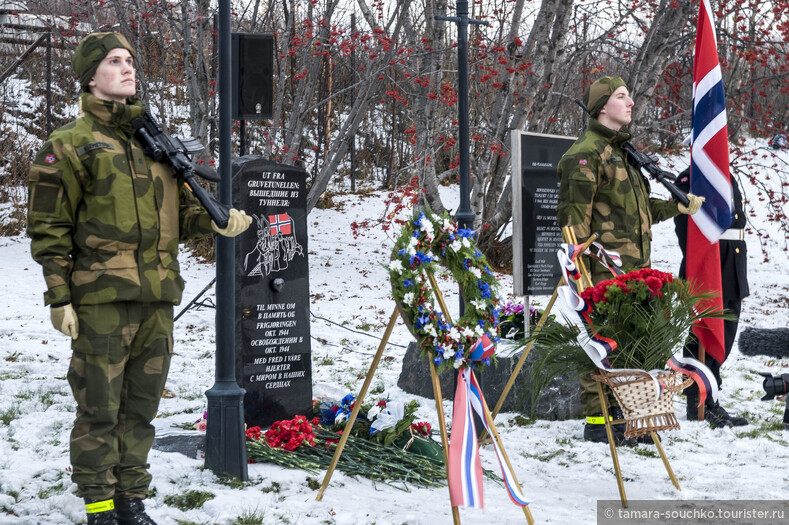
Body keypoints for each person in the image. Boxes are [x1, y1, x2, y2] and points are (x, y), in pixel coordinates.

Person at [26, 33, 251, 525]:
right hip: (101, 299)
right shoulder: (69, 145)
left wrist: (218, 223)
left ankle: (130, 499)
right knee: (99, 409)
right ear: (90, 76)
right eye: (114, 61)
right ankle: (100, 506)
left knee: (140, 410)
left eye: (130, 60)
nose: (127, 68)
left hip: (158, 297)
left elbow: (186, 215)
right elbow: (49, 230)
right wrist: (58, 297)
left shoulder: (157, 145)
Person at [556, 76, 705, 445]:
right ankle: (599, 422)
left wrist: (677, 206)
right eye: (622, 96)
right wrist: (584, 281)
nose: (631, 102)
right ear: (602, 106)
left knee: (630, 345)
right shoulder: (585, 155)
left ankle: (625, 418)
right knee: (601, 345)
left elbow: (637, 215)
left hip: (634, 275)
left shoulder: (623, 154)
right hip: (601, 274)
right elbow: (573, 227)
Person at [674, 167, 750, 429]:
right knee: (703, 335)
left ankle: (711, 394)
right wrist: (702, 265)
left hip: (732, 263)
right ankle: (699, 400)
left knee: (724, 335)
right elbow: (685, 228)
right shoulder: (691, 177)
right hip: (710, 265)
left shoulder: (723, 171)